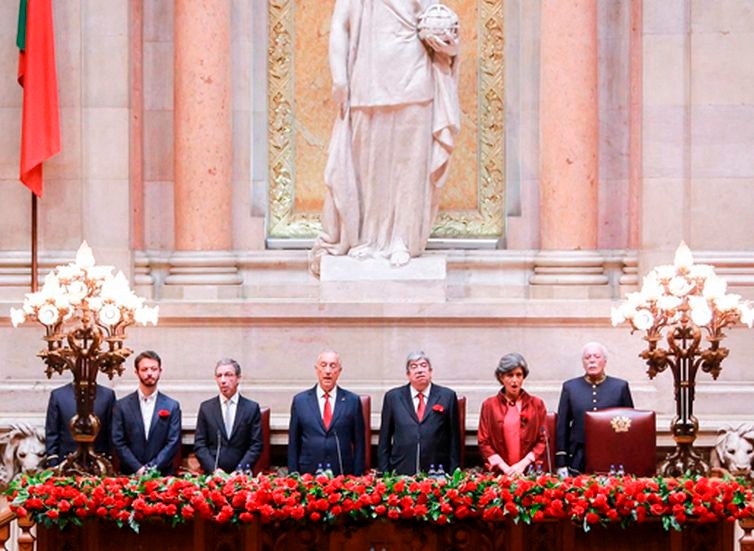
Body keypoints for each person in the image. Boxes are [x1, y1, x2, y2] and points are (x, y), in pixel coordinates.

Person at [309, 0, 461, 275]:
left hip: (414, 81)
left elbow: (436, 23)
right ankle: (368, 237)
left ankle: (402, 238)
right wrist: (339, 77)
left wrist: (448, 43)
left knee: (409, 166)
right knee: (369, 167)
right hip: (367, 80)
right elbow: (340, 25)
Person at [555, 342, 634, 476]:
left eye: (596, 356)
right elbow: (562, 425)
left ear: (605, 361)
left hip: (612, 454)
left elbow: (631, 425)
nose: (592, 360)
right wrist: (561, 461)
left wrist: (628, 458)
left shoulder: (620, 387)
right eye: (587, 357)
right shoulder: (570, 387)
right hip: (579, 456)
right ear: (583, 362)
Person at [378, 351, 460, 474]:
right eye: (414, 367)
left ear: (430, 371)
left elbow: (455, 438)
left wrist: (454, 473)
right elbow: (384, 439)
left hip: (437, 471)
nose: (419, 370)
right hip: (401, 469)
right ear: (408, 374)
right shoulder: (393, 397)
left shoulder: (447, 396)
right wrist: (384, 473)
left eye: (423, 365)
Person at [288, 351, 366, 475]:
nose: (328, 371)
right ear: (316, 369)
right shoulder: (300, 401)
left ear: (339, 371)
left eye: (333, 366)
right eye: (323, 365)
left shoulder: (352, 401)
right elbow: (293, 443)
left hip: (342, 473)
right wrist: (293, 475)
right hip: (308, 473)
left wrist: (358, 478)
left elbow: (360, 443)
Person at [111, 350, 182, 475]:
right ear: (136, 372)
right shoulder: (121, 406)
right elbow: (118, 441)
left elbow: (173, 442)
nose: (149, 373)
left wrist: (151, 469)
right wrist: (138, 469)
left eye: (154, 369)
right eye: (144, 369)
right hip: (130, 475)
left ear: (160, 371)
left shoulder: (172, 406)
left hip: (162, 475)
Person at [477, 353, 548, 475]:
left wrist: (522, 465)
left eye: (519, 375)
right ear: (501, 377)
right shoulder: (489, 405)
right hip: (499, 473)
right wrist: (505, 468)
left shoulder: (537, 404)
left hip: (528, 472)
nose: (514, 380)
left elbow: (543, 440)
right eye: (510, 375)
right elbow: (483, 441)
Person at [194, 359, 263, 474]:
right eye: (219, 376)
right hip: (213, 474)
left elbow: (256, 445)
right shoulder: (206, 408)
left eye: (228, 375)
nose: (223, 380)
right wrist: (214, 470)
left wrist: (240, 470)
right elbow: (200, 445)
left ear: (238, 378)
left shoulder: (251, 408)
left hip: (242, 475)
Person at [45, 382, 116, 466]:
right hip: (66, 463)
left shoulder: (107, 395)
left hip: (99, 463)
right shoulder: (58, 395)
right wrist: (54, 463)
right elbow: (52, 432)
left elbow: (112, 432)